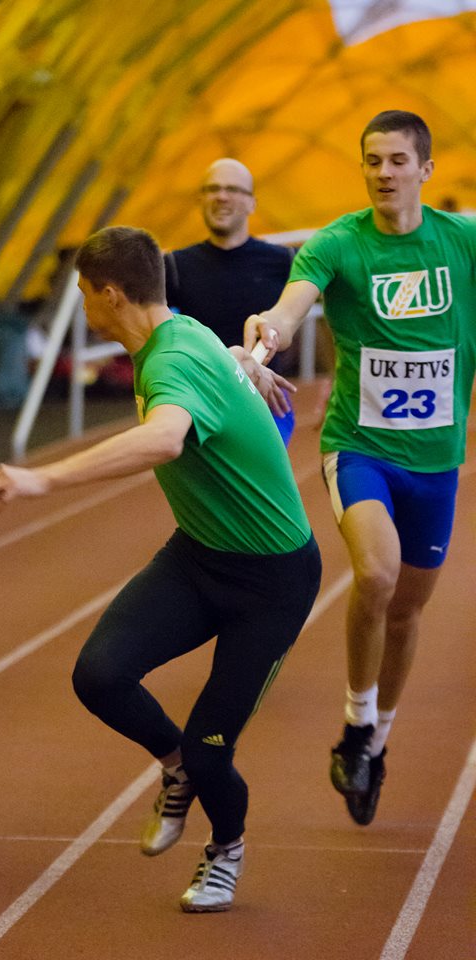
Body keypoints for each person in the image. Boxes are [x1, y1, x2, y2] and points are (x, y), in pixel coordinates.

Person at [0, 225, 321, 912]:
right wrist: (242, 363)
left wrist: (43, 479)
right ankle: (176, 768)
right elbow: (216, 357)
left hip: (272, 583)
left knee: (211, 748)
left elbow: (165, 438)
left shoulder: (171, 360)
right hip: (198, 557)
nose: (83, 306)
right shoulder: (181, 335)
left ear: (111, 294)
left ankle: (225, 849)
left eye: (85, 293)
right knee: (100, 676)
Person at [244, 109, 476, 827]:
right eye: (373, 160)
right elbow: (291, 307)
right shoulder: (338, 244)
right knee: (377, 573)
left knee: (406, 611)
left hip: (436, 462)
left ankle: (375, 742)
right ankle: (354, 719)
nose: (384, 173)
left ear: (425, 169)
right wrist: (268, 334)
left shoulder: (461, 242)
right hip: (360, 448)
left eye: (398, 160)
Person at [165, 158, 295, 443]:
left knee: (260, 472)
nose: (221, 196)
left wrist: (335, 387)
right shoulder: (175, 265)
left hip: (265, 402)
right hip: (201, 402)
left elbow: (332, 315)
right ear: (201, 200)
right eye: (213, 189)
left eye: (232, 189)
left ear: (252, 203)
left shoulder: (284, 261)